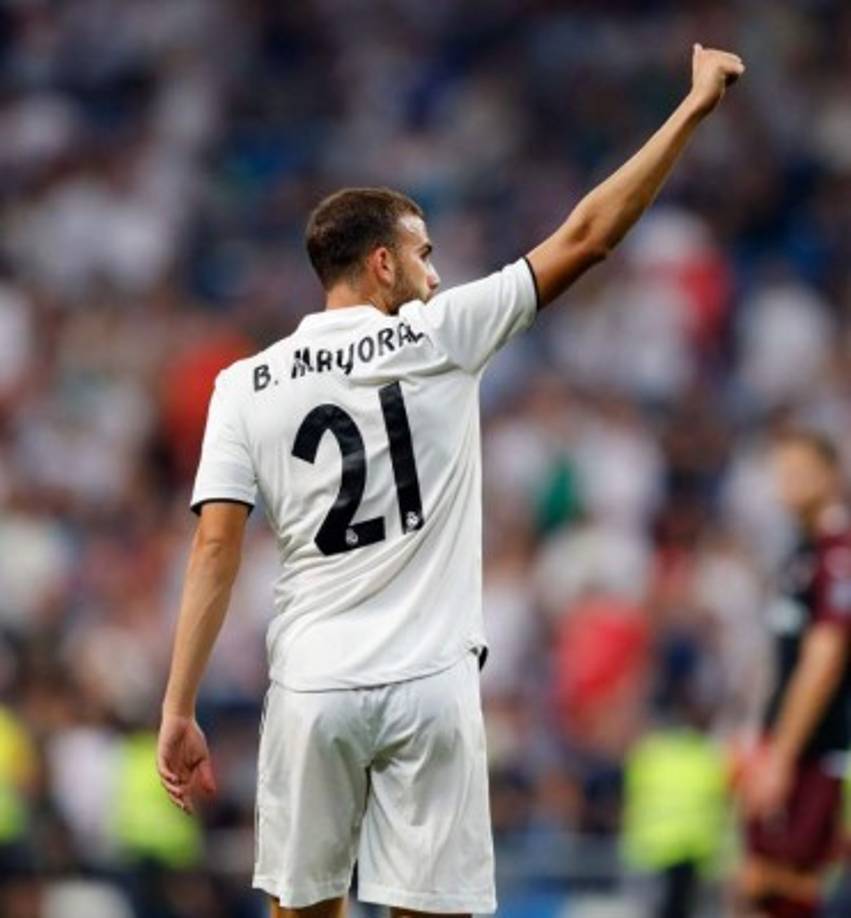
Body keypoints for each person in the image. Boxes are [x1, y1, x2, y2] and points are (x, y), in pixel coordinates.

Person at [156, 45, 744, 918]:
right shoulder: (440, 331)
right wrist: (692, 108)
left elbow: (215, 545)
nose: (436, 273)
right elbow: (589, 234)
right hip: (429, 683)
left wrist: (179, 706)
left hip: (313, 684)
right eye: (423, 254)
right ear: (382, 264)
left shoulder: (244, 383)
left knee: (301, 909)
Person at [736, 431, 851, 918]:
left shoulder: (836, 555)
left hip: (816, 750)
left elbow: (824, 657)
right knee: (767, 891)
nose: (787, 484)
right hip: (784, 745)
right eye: (781, 473)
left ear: (830, 475)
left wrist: (781, 755)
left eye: (799, 471)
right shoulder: (799, 555)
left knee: (791, 886)